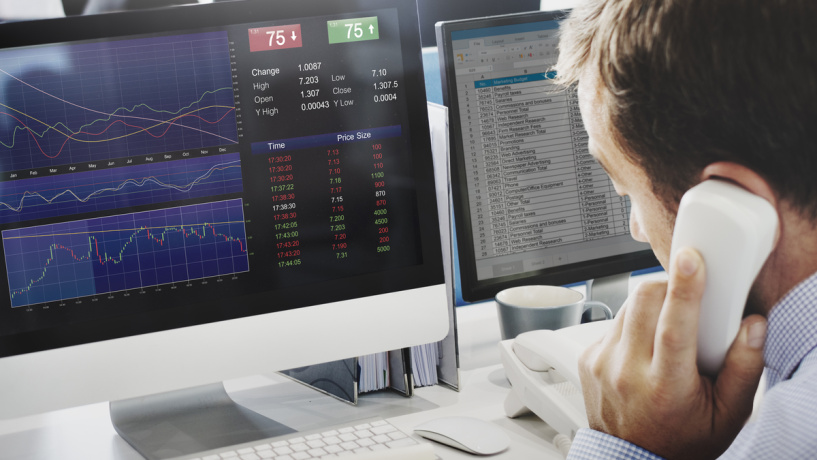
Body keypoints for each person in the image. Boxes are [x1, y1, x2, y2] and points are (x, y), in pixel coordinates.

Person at [553, 0, 817, 458]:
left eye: (626, 191)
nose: (638, 229)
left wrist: (624, 444)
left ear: (727, 204)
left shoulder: (792, 436)